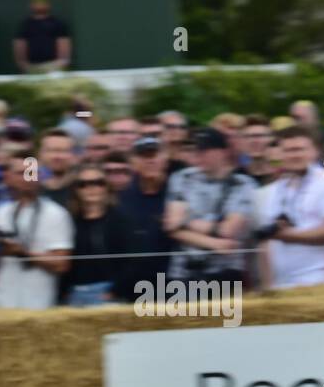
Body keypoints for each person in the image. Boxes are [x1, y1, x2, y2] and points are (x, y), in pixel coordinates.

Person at [254, 126, 324, 289]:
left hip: (322, 285)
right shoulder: (275, 189)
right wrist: (266, 287)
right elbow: (265, 244)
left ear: (315, 151)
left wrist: (287, 236)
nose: (294, 155)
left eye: (299, 149)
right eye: (288, 150)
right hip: (280, 287)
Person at [164, 127, 258, 285]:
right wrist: (214, 243)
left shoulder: (243, 184)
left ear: (222, 152)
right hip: (184, 272)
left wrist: (184, 222)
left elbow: (228, 230)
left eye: (204, 150)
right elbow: (171, 228)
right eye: (196, 150)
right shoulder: (182, 177)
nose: (198, 155)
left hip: (225, 273)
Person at [0, 150, 73, 308]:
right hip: (0, 301)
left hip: (37, 304)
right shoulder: (0, 213)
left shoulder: (56, 214)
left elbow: (61, 264)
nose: (29, 178)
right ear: (8, 178)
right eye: (21, 173)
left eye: (33, 172)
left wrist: (21, 252)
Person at [115, 136, 172, 297]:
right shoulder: (121, 200)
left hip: (174, 285)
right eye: (144, 156)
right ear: (133, 163)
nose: (150, 161)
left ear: (165, 160)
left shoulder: (178, 195)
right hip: (132, 288)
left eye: (154, 155)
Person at [66, 164, 129, 306]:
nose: (91, 188)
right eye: (83, 184)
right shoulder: (68, 222)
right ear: (75, 189)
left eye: (98, 183)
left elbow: (133, 262)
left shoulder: (122, 220)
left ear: (107, 187)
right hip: (74, 295)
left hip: (110, 295)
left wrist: (115, 291)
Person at [13, 0, 71, 73]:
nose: (39, 6)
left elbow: (64, 44)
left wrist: (60, 63)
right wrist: (23, 64)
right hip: (31, 67)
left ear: (48, 5)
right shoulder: (25, 24)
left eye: (42, 3)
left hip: (54, 67)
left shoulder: (58, 23)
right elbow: (19, 44)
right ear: (31, 5)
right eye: (36, 3)